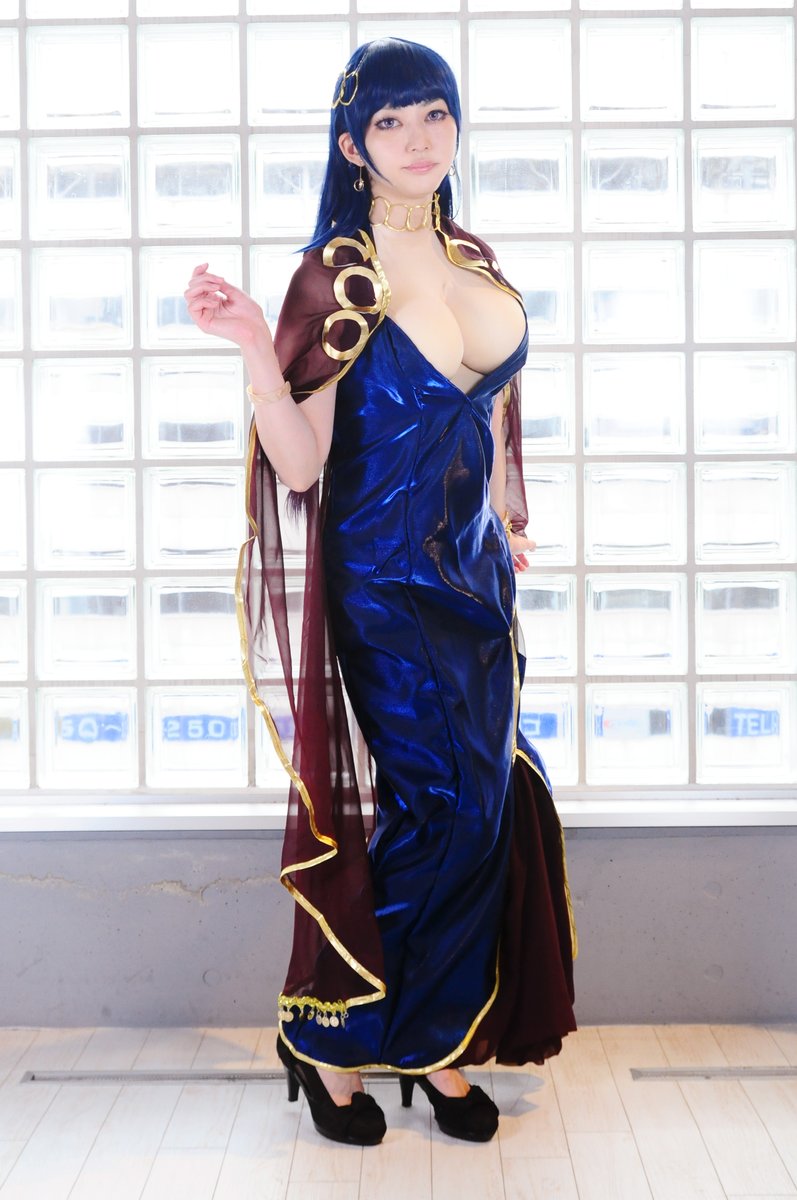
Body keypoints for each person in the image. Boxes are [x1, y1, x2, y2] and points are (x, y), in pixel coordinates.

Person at [185, 36, 576, 1147]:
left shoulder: (473, 257)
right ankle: (332, 1041)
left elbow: (489, 412)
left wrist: (504, 516)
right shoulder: (335, 275)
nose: (418, 138)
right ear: (352, 146)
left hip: (475, 587)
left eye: (434, 114)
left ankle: (434, 1040)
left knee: (481, 808)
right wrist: (255, 347)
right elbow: (303, 463)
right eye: (391, 121)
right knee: (442, 806)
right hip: (386, 585)